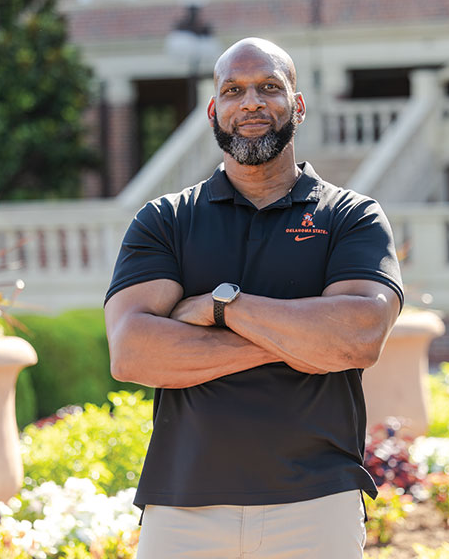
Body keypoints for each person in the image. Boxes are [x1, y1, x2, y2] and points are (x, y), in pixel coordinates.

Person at [104, 37, 403, 558]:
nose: (251, 103)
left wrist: (223, 309)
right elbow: (132, 352)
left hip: (317, 503)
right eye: (234, 90)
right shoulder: (165, 221)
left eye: (269, 87)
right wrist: (302, 343)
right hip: (183, 506)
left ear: (298, 105)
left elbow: (359, 336)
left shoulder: (351, 217)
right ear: (214, 110)